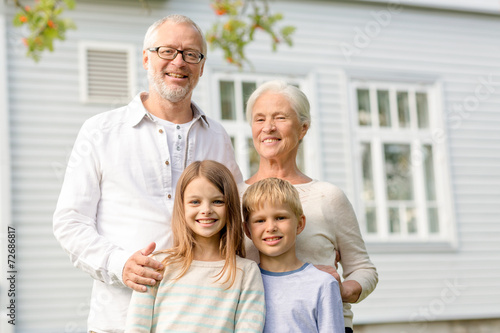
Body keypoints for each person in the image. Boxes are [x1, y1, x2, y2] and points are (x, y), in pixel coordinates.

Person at [53, 15, 242, 332]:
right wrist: (120, 263)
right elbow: (70, 221)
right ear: (146, 58)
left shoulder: (217, 137)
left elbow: (239, 219)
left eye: (191, 54)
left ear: (202, 66)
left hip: (200, 319)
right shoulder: (100, 132)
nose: (178, 62)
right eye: (167, 51)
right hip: (120, 319)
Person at [240, 80, 378, 333]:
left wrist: (341, 289)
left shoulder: (328, 196)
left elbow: (363, 268)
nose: (268, 127)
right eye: (259, 119)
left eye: (280, 117)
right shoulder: (235, 197)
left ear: (303, 128)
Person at [125, 160, 265, 332]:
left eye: (218, 201)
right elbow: (136, 327)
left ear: (230, 207)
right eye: (195, 202)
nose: (206, 209)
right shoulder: (157, 265)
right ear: (182, 207)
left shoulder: (246, 271)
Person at [242, 177, 344, 333]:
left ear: (300, 224)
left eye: (280, 218)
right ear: (248, 230)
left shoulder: (323, 284)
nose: (271, 227)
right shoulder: (243, 283)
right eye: (260, 220)